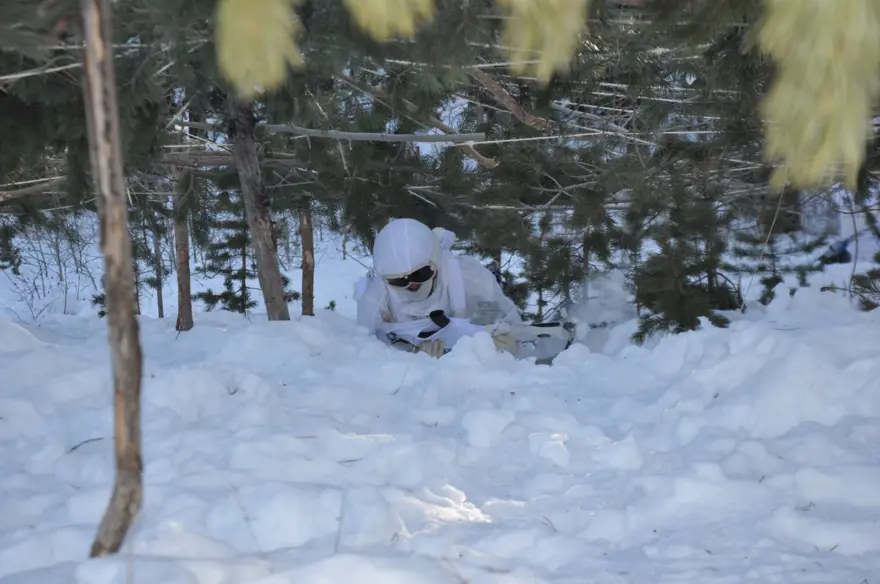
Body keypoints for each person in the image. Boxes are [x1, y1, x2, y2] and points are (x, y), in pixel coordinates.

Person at [355, 218, 522, 358]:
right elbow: (366, 349)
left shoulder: (470, 282)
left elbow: (505, 327)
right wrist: (412, 354)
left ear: (436, 260)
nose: (412, 285)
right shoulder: (378, 299)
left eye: (420, 274)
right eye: (398, 281)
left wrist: (489, 350)